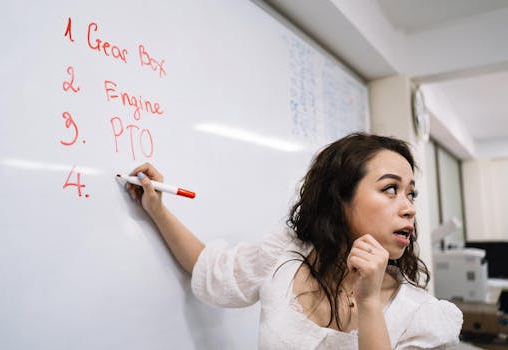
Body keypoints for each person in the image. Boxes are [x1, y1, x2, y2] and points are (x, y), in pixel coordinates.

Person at [126, 132, 463, 349]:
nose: (409, 209)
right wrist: (156, 209)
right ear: (340, 198)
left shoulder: (423, 316)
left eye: (411, 194)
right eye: (391, 189)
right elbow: (211, 270)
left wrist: (370, 302)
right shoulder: (285, 254)